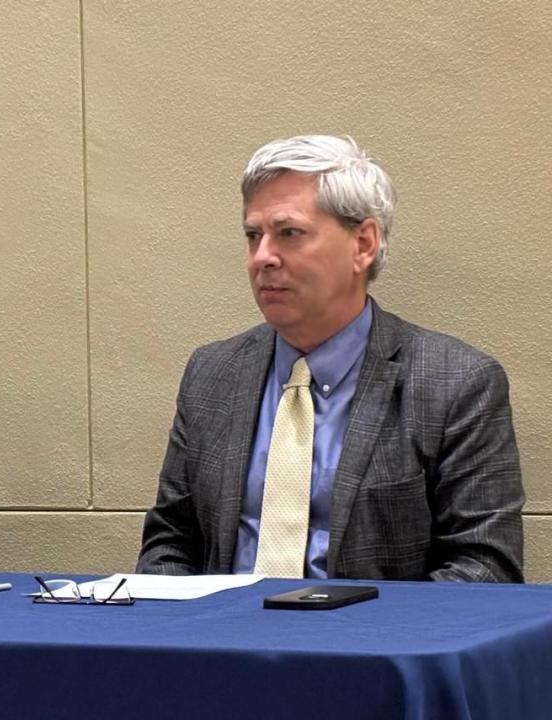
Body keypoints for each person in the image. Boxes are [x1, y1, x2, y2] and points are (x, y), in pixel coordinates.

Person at [137, 135, 524, 582]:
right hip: (219, 642)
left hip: (368, 645)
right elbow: (170, 540)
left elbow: (485, 567)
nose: (263, 257)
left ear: (363, 244)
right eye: (253, 235)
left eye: (289, 233)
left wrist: (350, 642)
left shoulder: (456, 382)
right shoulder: (213, 374)